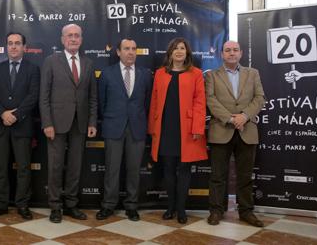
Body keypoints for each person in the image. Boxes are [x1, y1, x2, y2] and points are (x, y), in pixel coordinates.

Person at [39, 23, 98, 223]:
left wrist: (92, 122)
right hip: (55, 123)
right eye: (69, 36)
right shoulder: (51, 61)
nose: (73, 39)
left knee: (75, 166)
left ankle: (71, 204)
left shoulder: (89, 63)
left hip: (80, 123)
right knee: (55, 166)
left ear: (81, 39)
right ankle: (55, 206)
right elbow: (43, 96)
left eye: (77, 36)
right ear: (62, 39)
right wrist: (47, 123)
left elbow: (92, 97)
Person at [205, 40, 266, 227]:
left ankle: (246, 212)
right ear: (222, 54)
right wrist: (231, 119)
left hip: (247, 130)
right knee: (217, 176)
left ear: (240, 53)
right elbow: (210, 99)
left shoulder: (253, 73)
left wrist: (245, 116)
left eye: (235, 50)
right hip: (221, 129)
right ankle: (216, 210)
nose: (232, 53)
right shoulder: (211, 76)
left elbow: (259, 97)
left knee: (245, 176)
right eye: (228, 50)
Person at [148, 37, 207, 224]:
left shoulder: (196, 73)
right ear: (170, 53)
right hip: (165, 128)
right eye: (175, 48)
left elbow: (200, 102)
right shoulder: (160, 73)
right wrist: (152, 128)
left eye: (182, 48)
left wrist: (198, 127)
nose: (179, 51)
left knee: (184, 169)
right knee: (168, 169)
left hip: (187, 129)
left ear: (187, 53)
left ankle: (181, 209)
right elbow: (154, 102)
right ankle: (170, 207)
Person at [96, 39, 151, 221]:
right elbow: (101, 104)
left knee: (134, 169)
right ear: (118, 52)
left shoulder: (145, 74)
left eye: (134, 49)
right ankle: (108, 205)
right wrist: (112, 118)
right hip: (113, 126)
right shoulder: (107, 73)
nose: (131, 52)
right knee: (112, 169)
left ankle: (132, 206)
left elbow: (148, 103)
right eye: (126, 49)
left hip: (137, 128)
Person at [0, 32, 39, 220]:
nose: (14, 47)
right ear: (6, 46)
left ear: (25, 47)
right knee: (0, 168)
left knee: (23, 168)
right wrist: (3, 113)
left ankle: (22, 205)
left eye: (17, 43)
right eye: (10, 43)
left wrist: (16, 114)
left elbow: (33, 96)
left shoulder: (33, 69)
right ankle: (0, 204)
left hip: (22, 125)